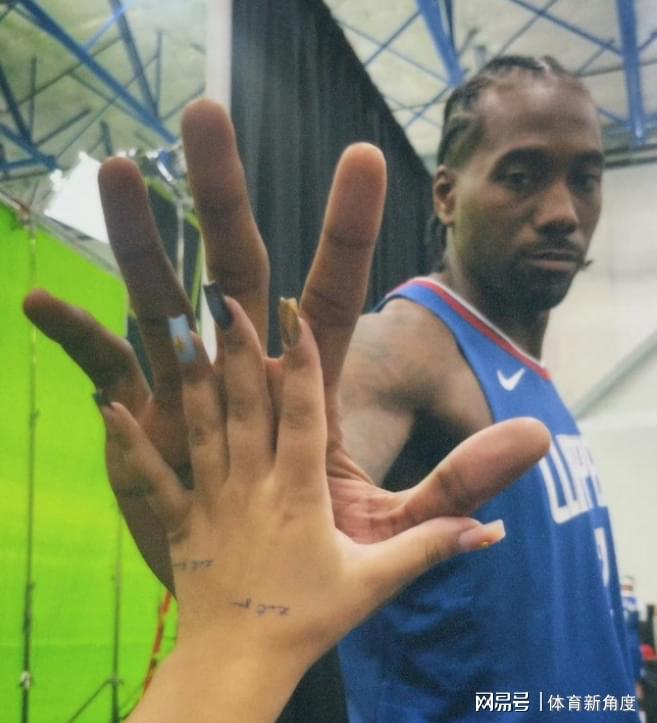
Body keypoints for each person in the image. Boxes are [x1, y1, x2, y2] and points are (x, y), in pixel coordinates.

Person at [20, 54, 638, 720]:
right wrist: (237, 605)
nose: (562, 212)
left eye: (585, 179)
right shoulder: (406, 348)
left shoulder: (526, 369)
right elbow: (297, 493)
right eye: (520, 176)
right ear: (445, 195)